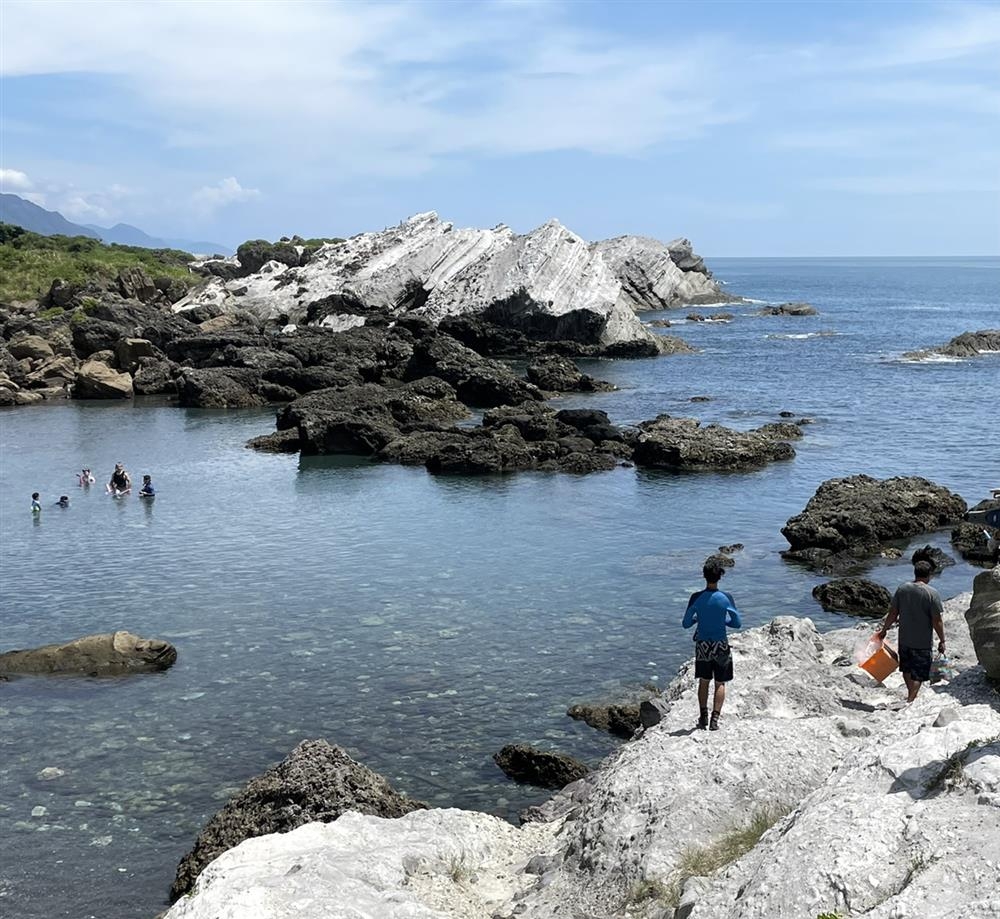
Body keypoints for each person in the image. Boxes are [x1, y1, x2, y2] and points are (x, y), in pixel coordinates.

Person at [682, 559, 742, 731]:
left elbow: (686, 624)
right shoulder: (726, 598)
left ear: (704, 576)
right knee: (720, 683)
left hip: (703, 645)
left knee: (704, 681)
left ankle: (703, 717)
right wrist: (722, 621)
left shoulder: (696, 597)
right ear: (720, 577)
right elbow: (737, 623)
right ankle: (714, 721)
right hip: (721, 644)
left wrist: (697, 618)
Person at [877, 559, 945, 703]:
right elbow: (936, 620)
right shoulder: (932, 593)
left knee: (906, 670)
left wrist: (884, 630)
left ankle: (911, 696)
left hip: (905, 639)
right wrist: (942, 640)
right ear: (930, 575)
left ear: (915, 573)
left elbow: (893, 613)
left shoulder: (903, 589)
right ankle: (911, 698)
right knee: (919, 674)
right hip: (922, 642)